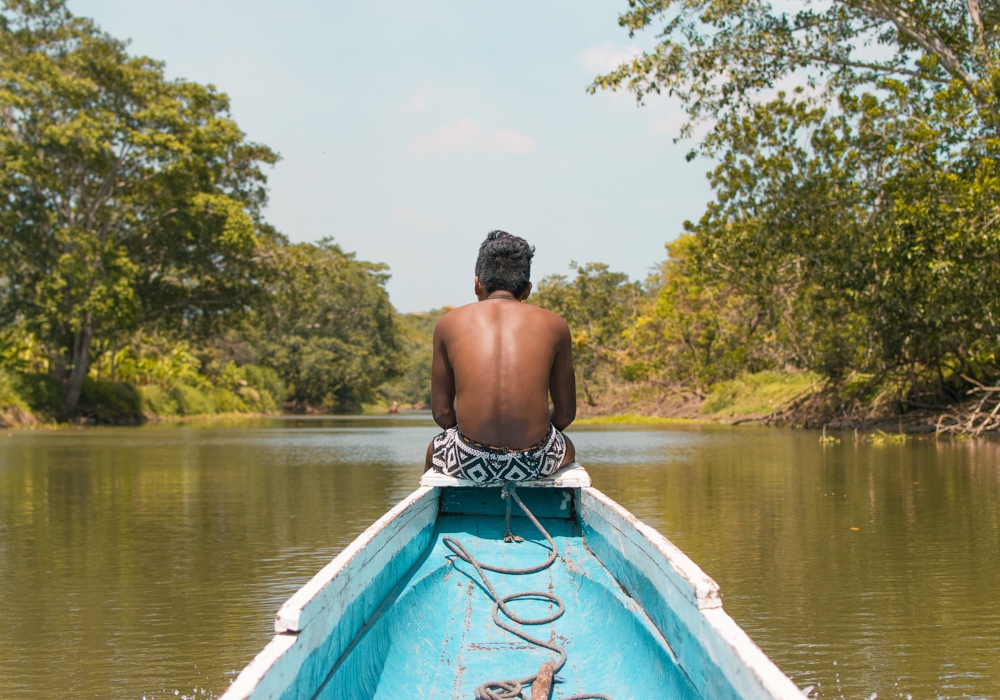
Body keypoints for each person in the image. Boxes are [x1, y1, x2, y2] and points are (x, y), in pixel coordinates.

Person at [424, 230, 576, 482]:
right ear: (527, 290)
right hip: (533, 462)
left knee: (434, 449)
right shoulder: (556, 324)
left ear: (477, 284)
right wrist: (528, 437)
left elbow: (441, 414)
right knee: (567, 446)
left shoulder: (447, 323)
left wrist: (479, 443)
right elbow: (565, 414)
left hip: (469, 461)